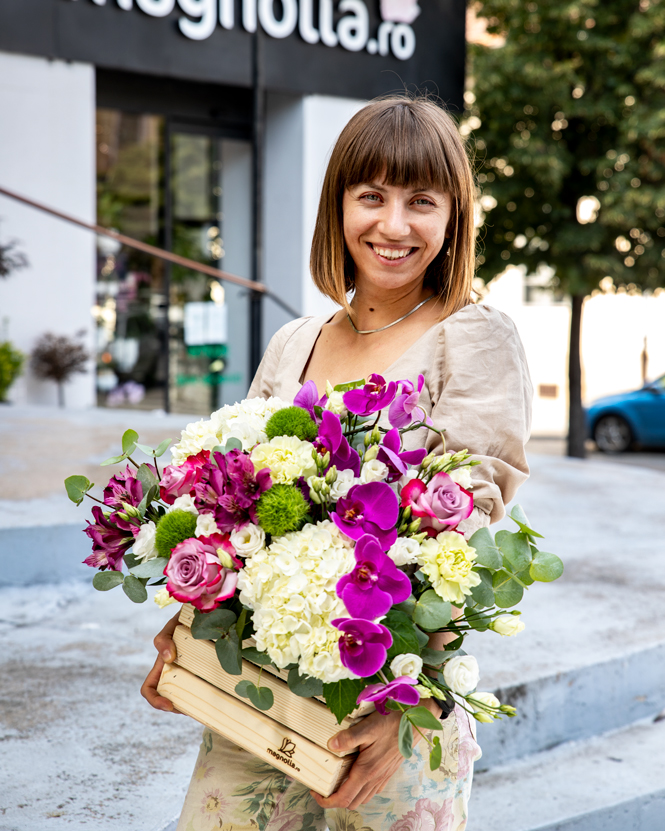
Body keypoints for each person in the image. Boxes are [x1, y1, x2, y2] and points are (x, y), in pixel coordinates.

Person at [141, 95, 532, 831]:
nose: (392, 225)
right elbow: (223, 506)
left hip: (389, 715)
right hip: (258, 694)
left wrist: (411, 702)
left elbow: (464, 537)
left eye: (421, 200)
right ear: (338, 207)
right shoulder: (295, 340)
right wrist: (189, 629)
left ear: (453, 217)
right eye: (370, 196)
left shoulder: (473, 336)